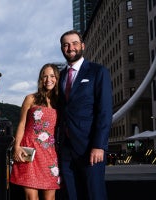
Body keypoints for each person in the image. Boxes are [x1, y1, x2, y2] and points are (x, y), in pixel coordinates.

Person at [57, 30, 113, 200]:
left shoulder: (98, 71)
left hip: (89, 147)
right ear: (62, 49)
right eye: (66, 45)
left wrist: (99, 145)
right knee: (71, 195)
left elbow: (104, 111)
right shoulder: (61, 76)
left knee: (94, 194)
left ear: (82, 46)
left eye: (74, 43)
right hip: (66, 150)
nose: (70, 47)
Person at [10, 63, 61, 200]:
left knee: (50, 197)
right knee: (31, 196)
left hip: (50, 153)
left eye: (52, 76)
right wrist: (16, 147)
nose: (48, 79)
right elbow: (21, 124)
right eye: (44, 76)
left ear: (57, 78)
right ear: (40, 79)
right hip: (29, 150)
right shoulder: (30, 99)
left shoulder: (61, 102)